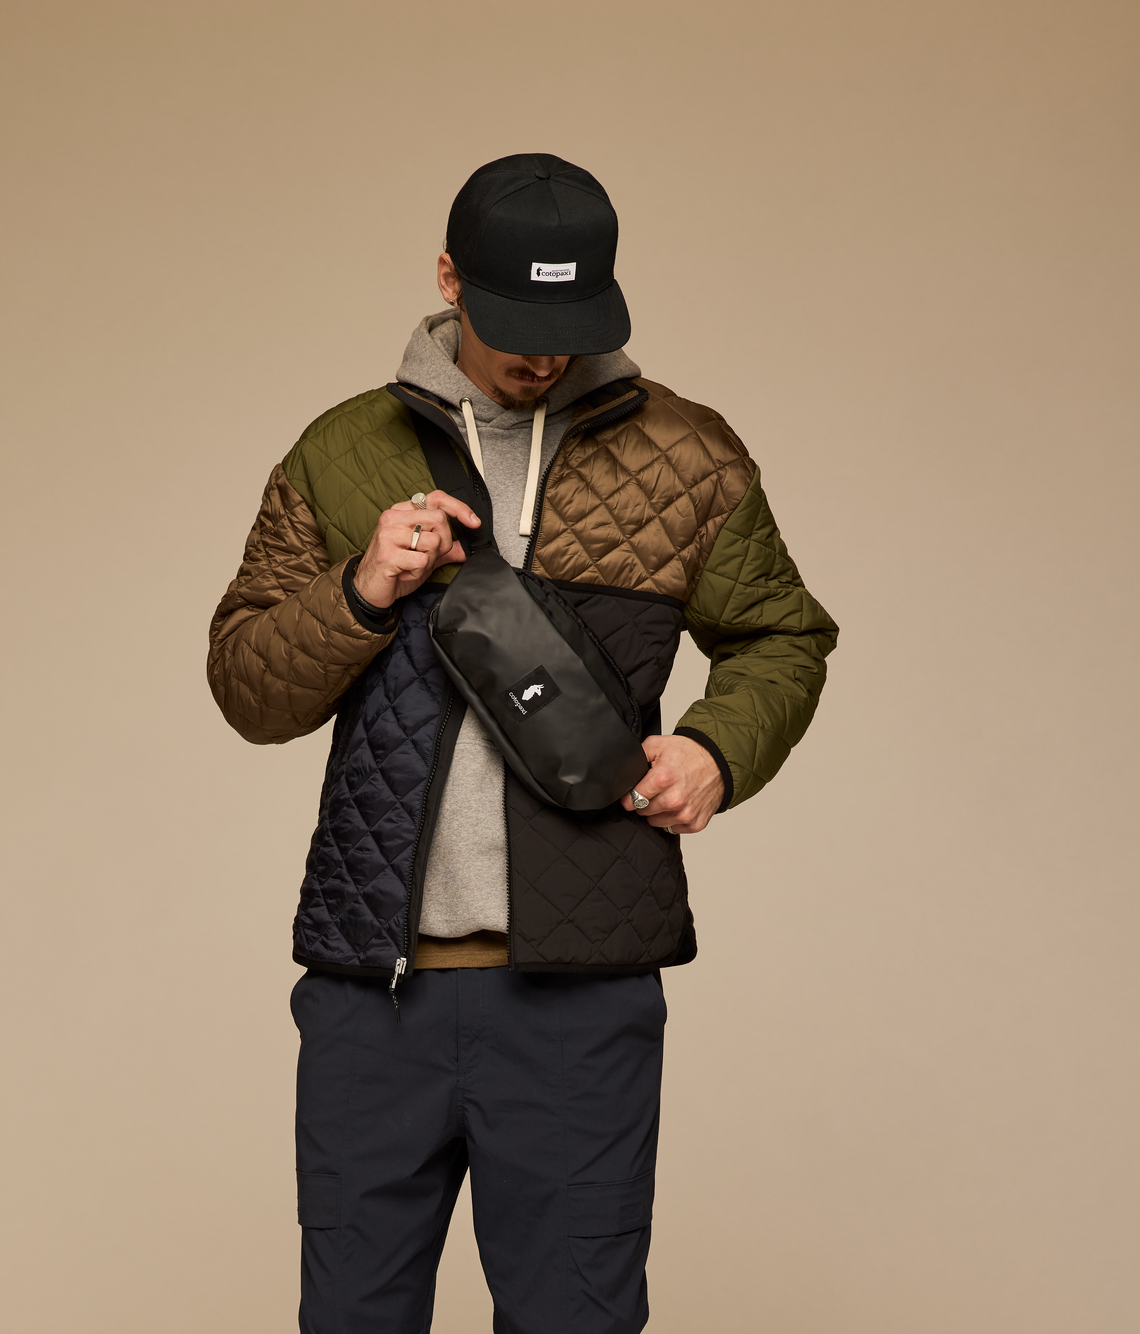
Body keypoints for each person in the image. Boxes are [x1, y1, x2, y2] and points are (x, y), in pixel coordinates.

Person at [208, 153, 838, 1334]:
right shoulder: (341, 453)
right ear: (449, 279)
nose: (541, 357)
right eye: (514, 325)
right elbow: (247, 686)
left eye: (568, 326)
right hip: (374, 997)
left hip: (578, 1005)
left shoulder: (687, 453)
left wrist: (714, 749)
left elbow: (781, 636)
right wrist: (357, 589)